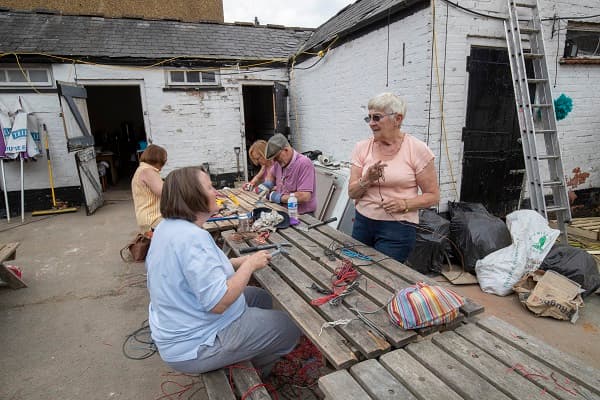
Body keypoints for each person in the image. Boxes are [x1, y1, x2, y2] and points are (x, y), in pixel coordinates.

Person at [146, 166, 301, 376]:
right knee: (288, 327)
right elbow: (219, 303)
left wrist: (238, 262)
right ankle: (255, 374)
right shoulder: (192, 238)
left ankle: (251, 348)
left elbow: (195, 273)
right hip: (196, 344)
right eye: (210, 187)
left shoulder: (167, 227)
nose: (216, 192)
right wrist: (249, 266)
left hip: (183, 322)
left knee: (260, 297)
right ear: (194, 196)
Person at [348, 93, 440, 262]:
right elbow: (352, 193)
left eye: (377, 117)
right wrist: (367, 180)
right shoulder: (361, 148)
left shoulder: (417, 149)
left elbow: (433, 196)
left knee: (384, 278)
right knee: (353, 270)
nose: (371, 124)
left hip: (398, 229)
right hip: (363, 223)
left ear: (398, 119)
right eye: (368, 118)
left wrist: (404, 204)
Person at [262, 133, 317, 215]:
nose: (275, 161)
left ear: (286, 150)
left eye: (276, 157)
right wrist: (267, 185)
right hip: (284, 211)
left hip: (302, 216)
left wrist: (279, 197)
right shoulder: (280, 163)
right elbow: (271, 174)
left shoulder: (304, 163)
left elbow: (304, 196)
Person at [131, 144, 167, 233]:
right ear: (158, 160)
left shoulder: (141, 169)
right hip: (153, 219)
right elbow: (164, 192)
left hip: (146, 218)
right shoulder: (148, 171)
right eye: (164, 161)